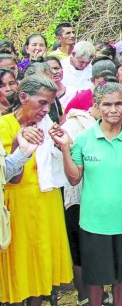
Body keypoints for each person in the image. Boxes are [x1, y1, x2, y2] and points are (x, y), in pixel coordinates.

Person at [51, 82, 122, 306]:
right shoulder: (83, 139)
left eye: (118, 103)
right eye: (106, 104)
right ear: (96, 106)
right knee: (95, 277)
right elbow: (73, 178)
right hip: (92, 222)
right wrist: (66, 149)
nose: (113, 109)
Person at [0, 75, 73, 305]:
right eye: (42, 102)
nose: (46, 109)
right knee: (19, 266)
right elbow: (12, 178)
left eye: (50, 104)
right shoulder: (4, 125)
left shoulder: (47, 127)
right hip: (19, 206)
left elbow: (63, 171)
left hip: (47, 202)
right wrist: (17, 145)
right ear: (23, 97)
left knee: (42, 266)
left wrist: (62, 146)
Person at [64, 58, 122, 125]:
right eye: (101, 83)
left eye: (110, 82)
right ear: (92, 81)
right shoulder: (80, 99)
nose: (105, 87)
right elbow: (67, 120)